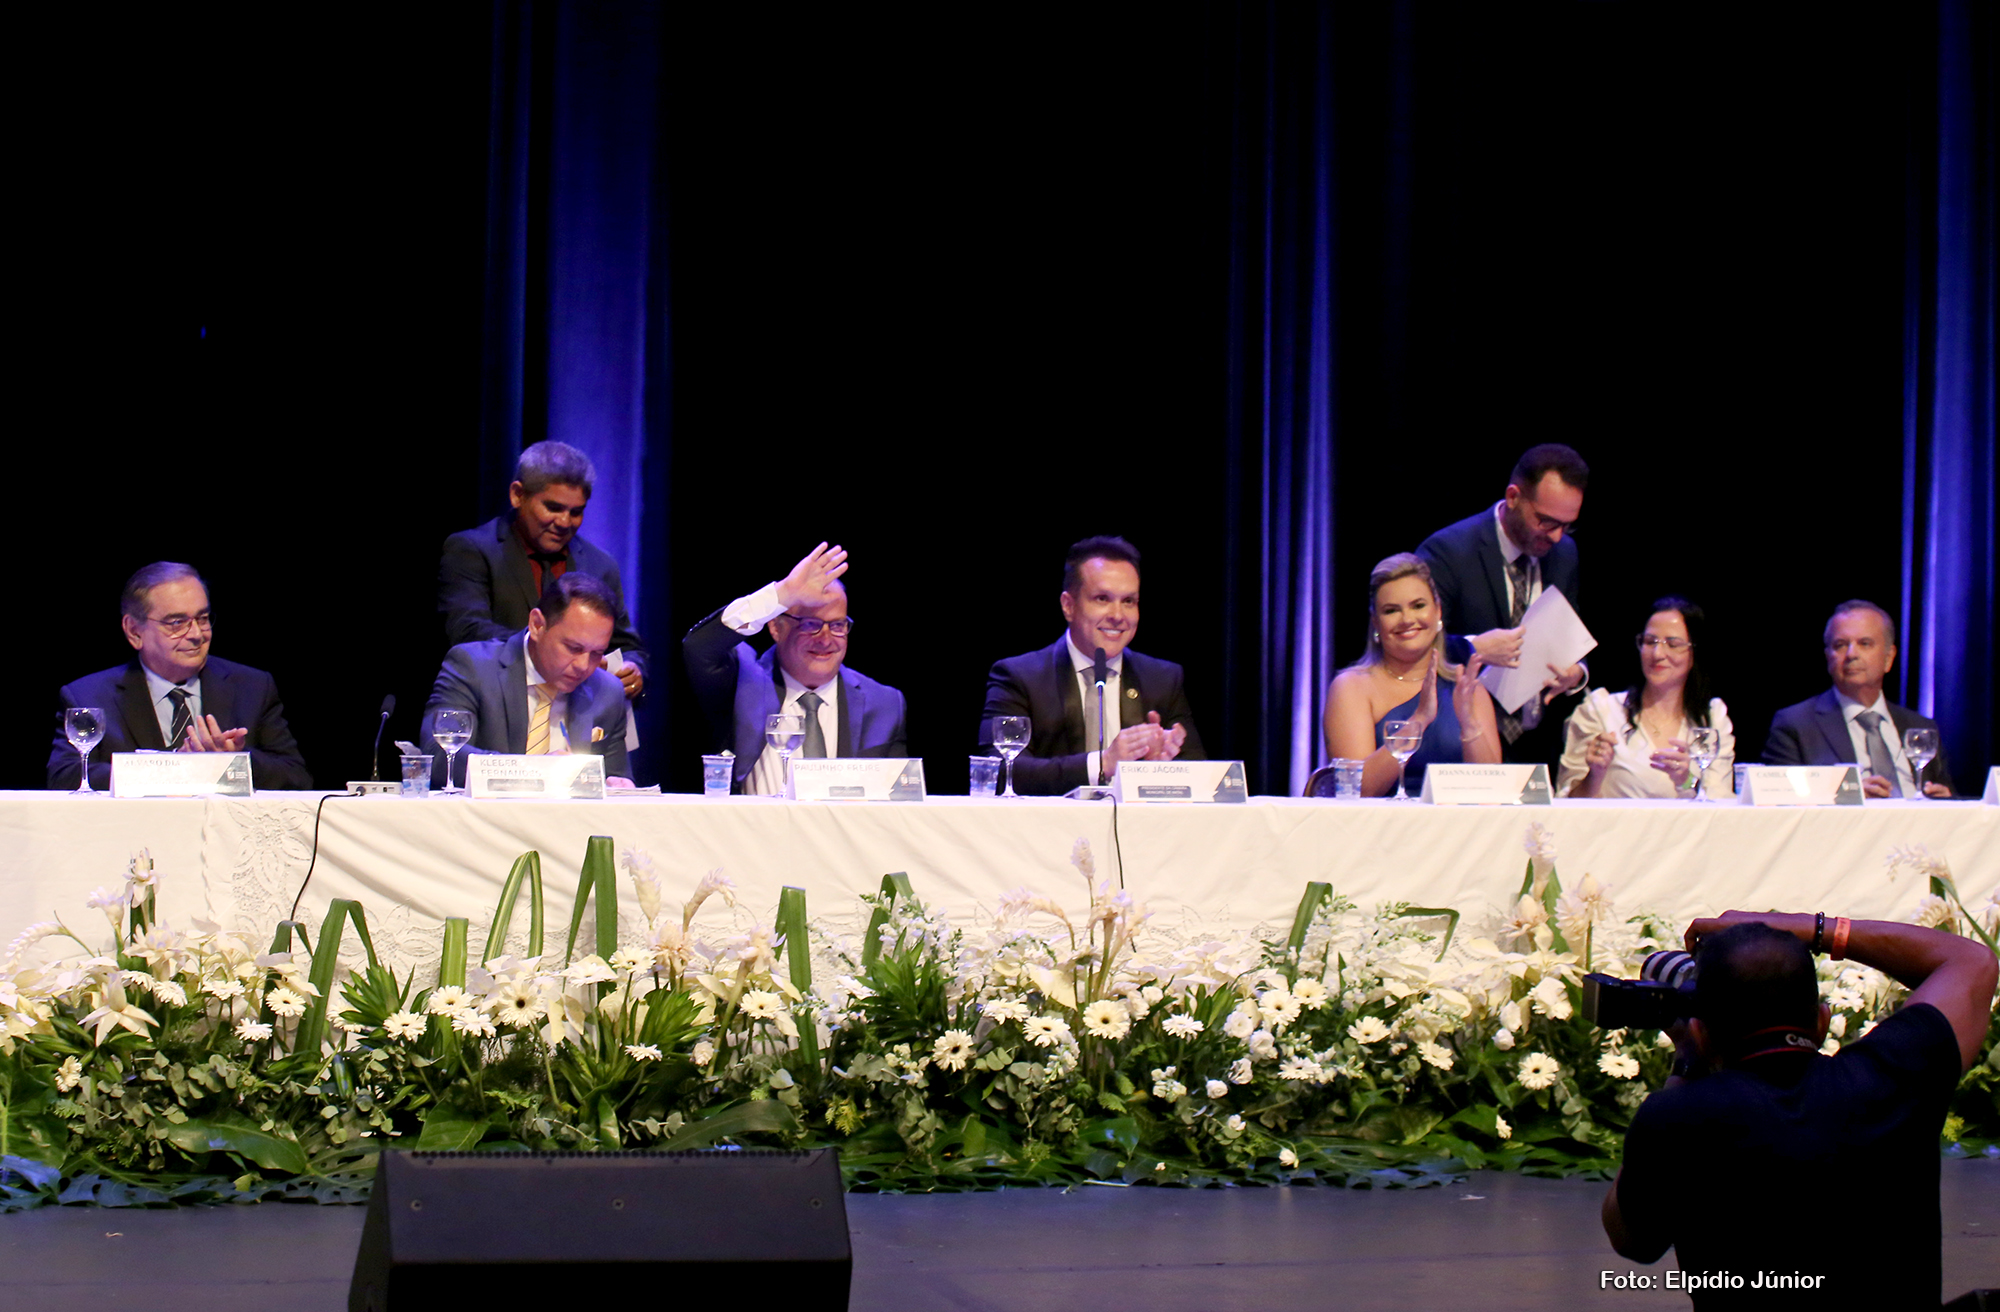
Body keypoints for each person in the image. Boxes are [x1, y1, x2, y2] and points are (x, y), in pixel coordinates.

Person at [1603, 910, 1995, 1308]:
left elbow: (1631, 1240)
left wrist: (1685, 1066)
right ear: (1822, 1021)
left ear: (1701, 1034)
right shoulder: (1892, 1075)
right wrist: (1815, 930)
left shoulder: (1677, 1117)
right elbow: (1972, 962)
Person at [48, 562, 313, 790]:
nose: (196, 634)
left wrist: (233, 760)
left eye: (203, 618)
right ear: (134, 632)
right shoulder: (88, 695)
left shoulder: (253, 687)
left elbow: (296, 777)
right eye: (177, 623)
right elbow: (65, 777)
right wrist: (172, 768)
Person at [978, 535, 1203, 795]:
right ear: (1068, 606)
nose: (1118, 616)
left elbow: (1200, 778)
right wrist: (1103, 763)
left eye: (1128, 601)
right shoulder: (1019, 677)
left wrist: (1159, 768)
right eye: (1102, 599)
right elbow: (1001, 772)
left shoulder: (1162, 679)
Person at [681, 542, 907, 795]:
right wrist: (782, 594)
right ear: (776, 628)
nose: (825, 640)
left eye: (837, 626)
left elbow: (898, 801)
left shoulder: (884, 703)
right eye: (810, 624)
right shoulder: (743, 680)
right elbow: (699, 648)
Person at [1415, 443, 1590, 765]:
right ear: (1513, 497)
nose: (1556, 536)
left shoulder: (1564, 554)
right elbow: (1414, 646)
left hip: (1539, 746)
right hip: (1467, 745)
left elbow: (1570, 631)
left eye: (1566, 525)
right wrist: (1473, 648)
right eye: (1546, 521)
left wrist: (1576, 671)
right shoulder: (1449, 552)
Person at [437, 440, 647, 701]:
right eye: (553, 508)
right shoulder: (472, 550)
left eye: (576, 512)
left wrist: (634, 668)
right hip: (495, 706)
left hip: (578, 714)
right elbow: (468, 632)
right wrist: (546, 647)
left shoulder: (601, 565)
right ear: (517, 495)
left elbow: (626, 645)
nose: (564, 522)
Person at [421, 572, 633, 788]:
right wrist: (533, 770)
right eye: (573, 648)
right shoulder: (473, 667)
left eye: (597, 653)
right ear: (537, 625)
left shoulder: (608, 691)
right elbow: (438, 754)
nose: (583, 665)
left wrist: (618, 786)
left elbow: (615, 778)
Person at [1323, 553, 1500, 797]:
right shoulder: (1351, 688)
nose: (1407, 620)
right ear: (1376, 622)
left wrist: (1469, 724)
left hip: (1458, 820)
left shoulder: (1468, 688)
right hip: (1381, 821)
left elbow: (1494, 791)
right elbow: (1356, 791)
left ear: (1438, 611)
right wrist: (1418, 720)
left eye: (1418, 606)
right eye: (1391, 611)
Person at [1763, 599, 1954, 798]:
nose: (1851, 654)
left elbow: (1950, 798)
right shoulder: (1796, 725)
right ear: (1828, 657)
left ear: (1889, 657)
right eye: (1840, 645)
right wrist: (1847, 794)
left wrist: (1945, 801)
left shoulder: (1920, 727)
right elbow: (1778, 796)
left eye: (1865, 644)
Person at [1558, 597, 1734, 799]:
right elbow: (1566, 806)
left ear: (1694, 651)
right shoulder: (1602, 711)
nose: (1658, 654)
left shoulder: (1712, 718)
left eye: (1672, 644)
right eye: (1650, 642)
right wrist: (1594, 774)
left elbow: (1722, 804)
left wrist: (1686, 780)